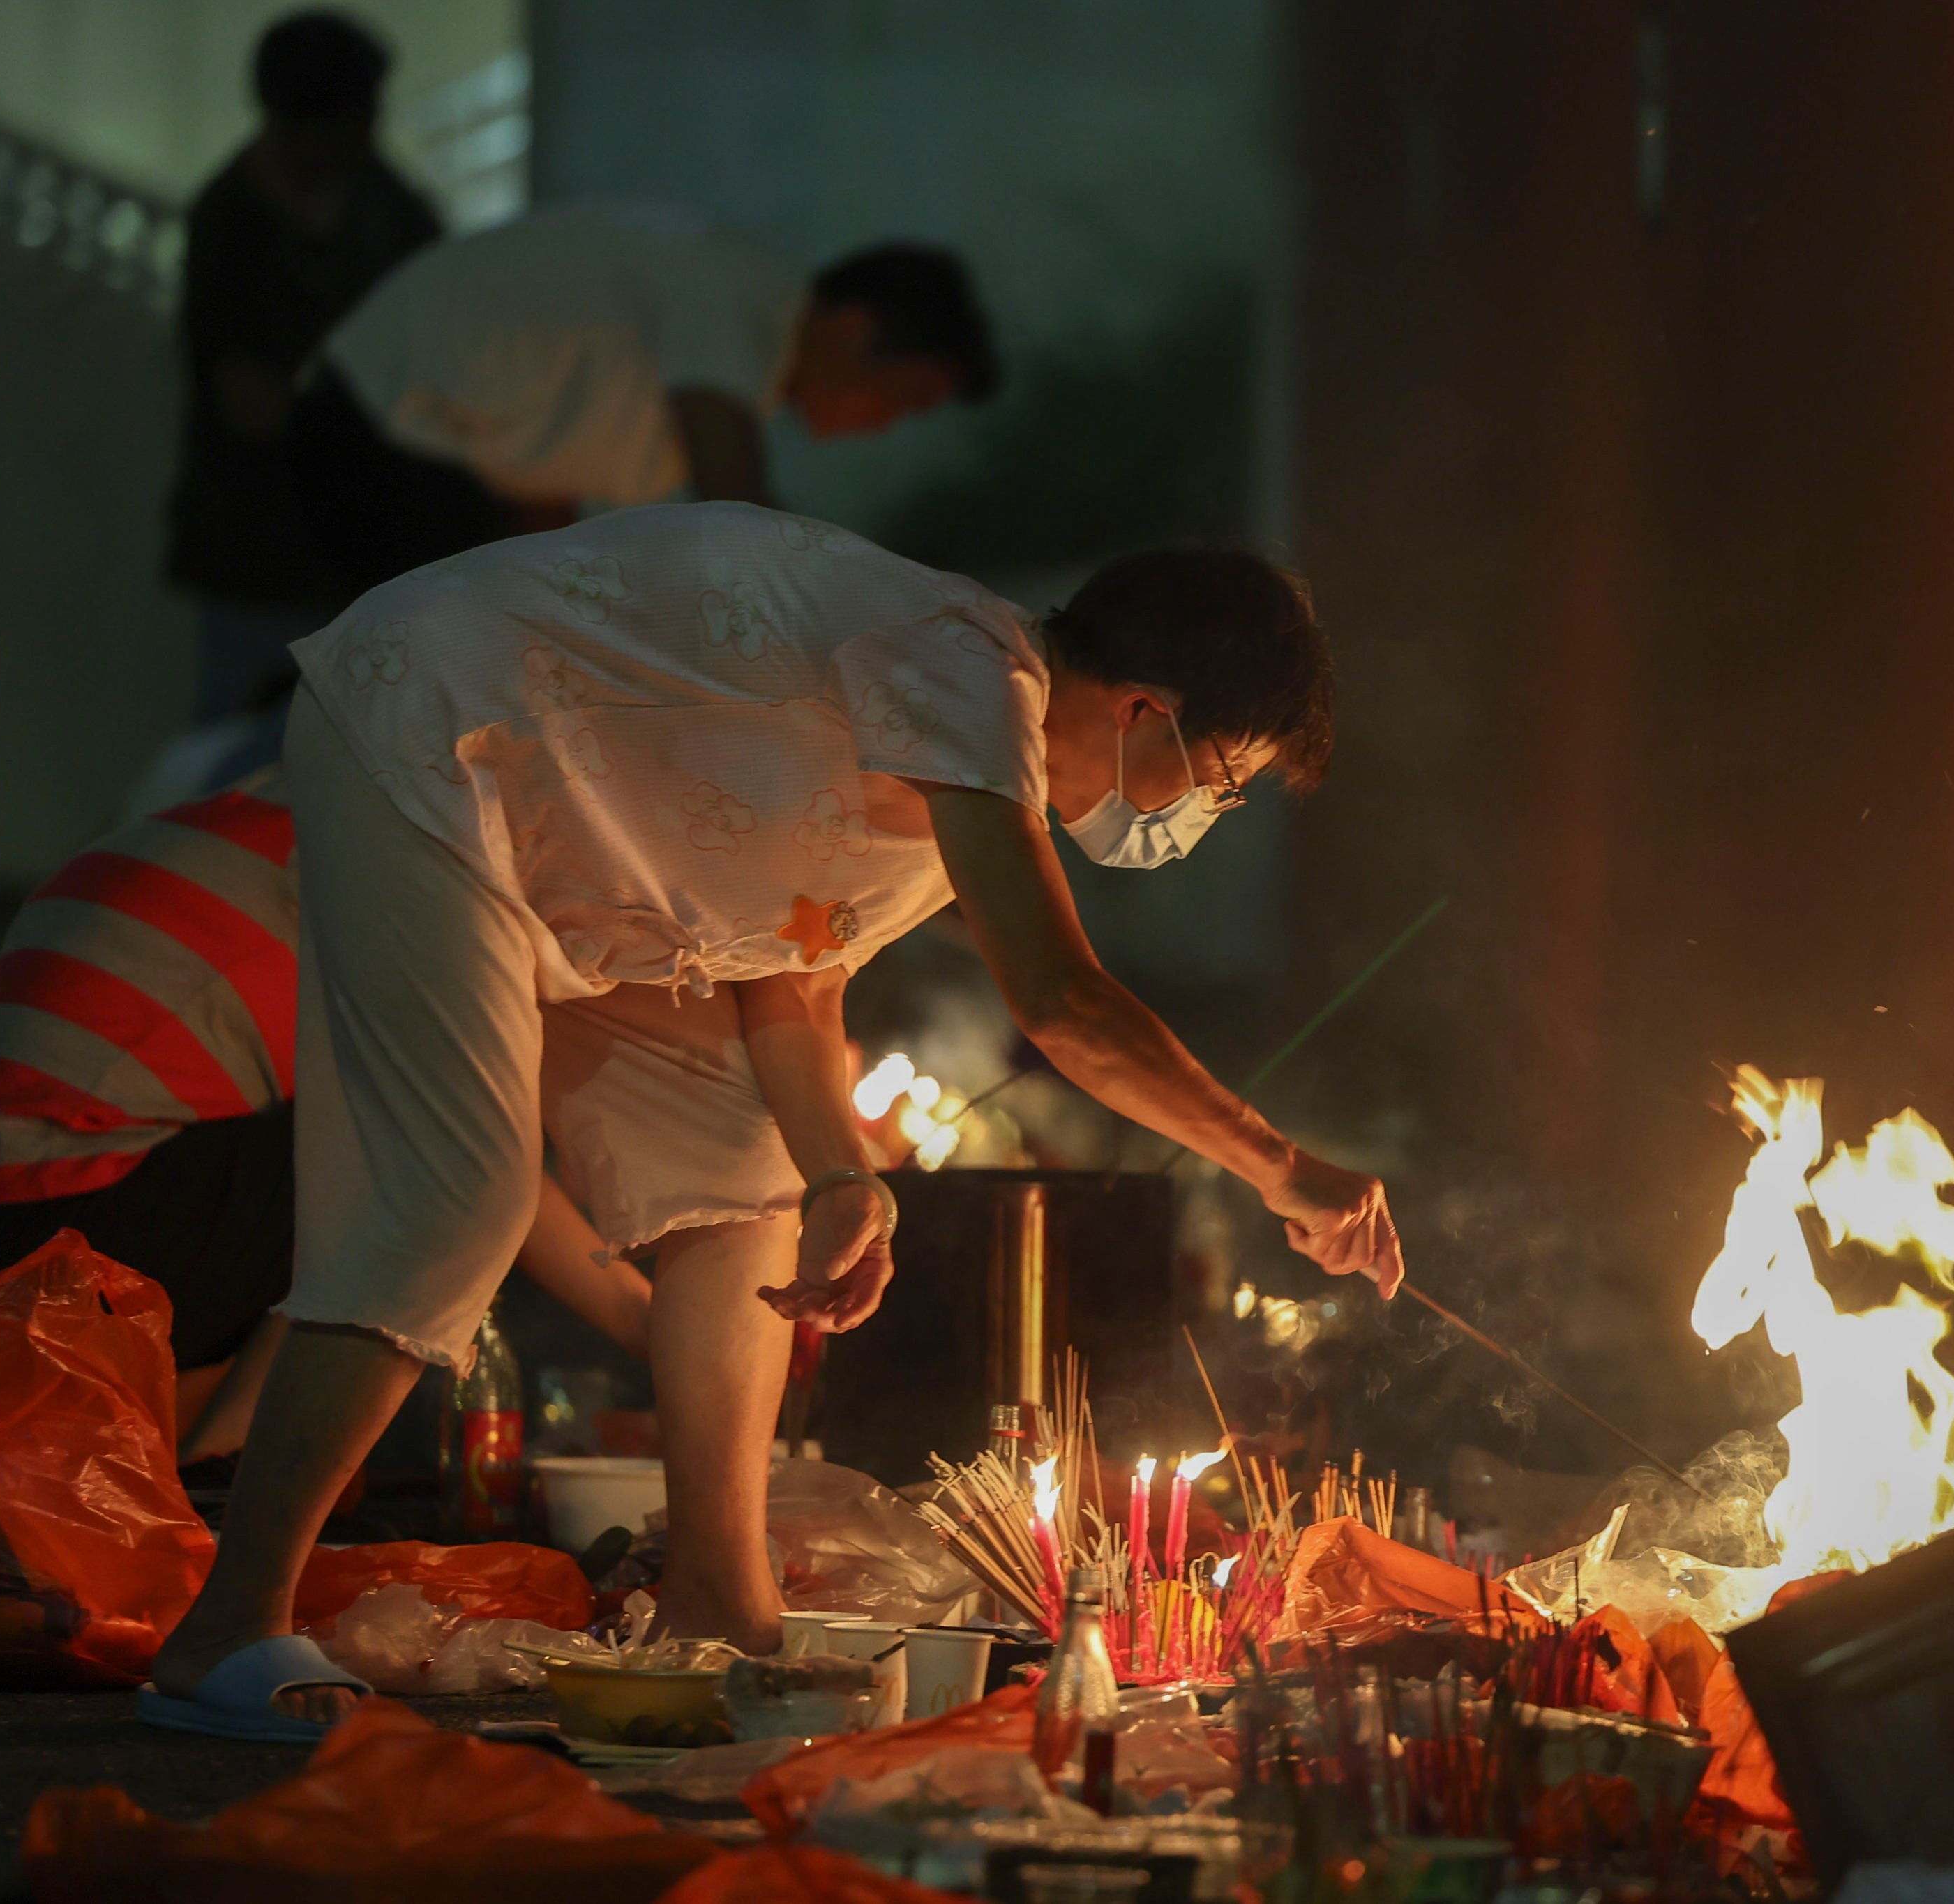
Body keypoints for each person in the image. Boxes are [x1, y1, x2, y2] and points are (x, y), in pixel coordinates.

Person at [141, 504, 1401, 1740]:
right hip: (431, 728)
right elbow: (1065, 1003)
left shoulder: (953, 788)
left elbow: (787, 966)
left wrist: (841, 1171)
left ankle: (719, 1602)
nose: (1203, 820)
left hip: (588, 861)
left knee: (749, 1184)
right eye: (1221, 783)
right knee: (455, 1202)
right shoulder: (970, 671)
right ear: (1143, 714)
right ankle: (229, 1626)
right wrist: (1279, 1168)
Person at [0, 770, 652, 1463]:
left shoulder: (301, 804)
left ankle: (215, 1475)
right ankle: (237, 1473)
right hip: (62, 1217)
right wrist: (642, 1319)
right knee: (416, 1165)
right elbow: (471, 1154)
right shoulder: (406, 864)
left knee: (374, 1148)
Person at [289, 210, 998, 597]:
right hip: (375, 424)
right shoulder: (740, 297)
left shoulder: (723, 359)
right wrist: (866, 606)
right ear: (853, 327)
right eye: (902, 399)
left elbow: (546, 503)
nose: (885, 425)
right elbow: (741, 510)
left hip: (409, 445)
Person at [164, 11, 441, 723]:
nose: (369, 130)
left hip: (367, 540)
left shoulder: (392, 211)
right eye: (354, 116)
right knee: (237, 750)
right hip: (259, 546)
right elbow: (245, 401)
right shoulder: (230, 223)